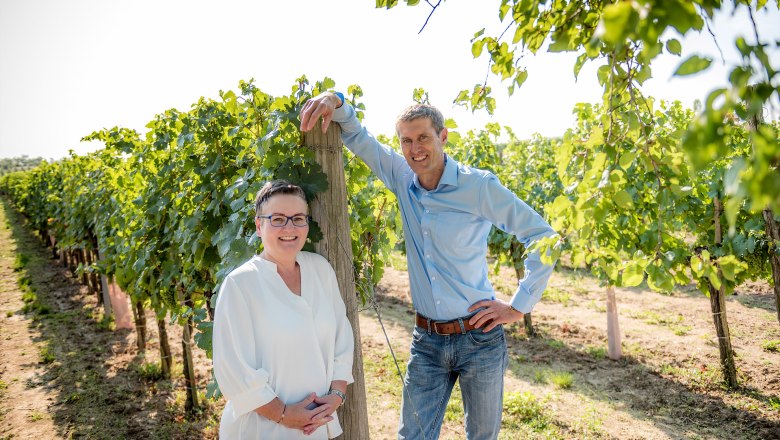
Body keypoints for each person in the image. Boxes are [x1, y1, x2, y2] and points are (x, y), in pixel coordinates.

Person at [300, 93, 558, 440]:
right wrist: (336, 100)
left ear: (443, 136)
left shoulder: (478, 186)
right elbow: (358, 136)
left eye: (423, 137)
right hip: (427, 341)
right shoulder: (402, 177)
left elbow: (543, 235)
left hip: (479, 339)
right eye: (406, 140)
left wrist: (518, 306)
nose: (414, 148)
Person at [212, 180, 355, 439]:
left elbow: (342, 337)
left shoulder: (320, 269)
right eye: (277, 219)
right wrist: (284, 414)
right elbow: (232, 367)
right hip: (262, 429)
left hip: (315, 427)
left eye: (298, 218)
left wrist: (337, 394)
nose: (289, 227)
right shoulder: (240, 284)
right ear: (259, 225)